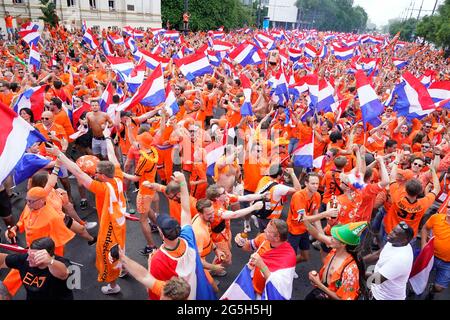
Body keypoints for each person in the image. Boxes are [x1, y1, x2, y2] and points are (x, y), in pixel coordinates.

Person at [46, 126, 126, 295]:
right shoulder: (117, 176)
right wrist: (106, 137)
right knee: (120, 251)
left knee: (107, 256)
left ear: (102, 175)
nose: (93, 173)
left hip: (110, 227)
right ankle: (123, 268)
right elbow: (111, 155)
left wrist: (59, 154)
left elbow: (77, 172)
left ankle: (113, 286)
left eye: (96, 172)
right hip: (120, 224)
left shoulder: (102, 188)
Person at [145, 172, 216, 300]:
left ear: (161, 233)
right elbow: (185, 210)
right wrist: (182, 181)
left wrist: (150, 265)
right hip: (199, 287)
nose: (169, 198)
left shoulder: (158, 259)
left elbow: (152, 288)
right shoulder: (188, 240)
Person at [305, 222, 368, 300]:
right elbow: (318, 235)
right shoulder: (335, 249)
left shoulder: (351, 270)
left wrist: (319, 284)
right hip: (319, 293)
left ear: (343, 244)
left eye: (334, 237)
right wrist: (305, 220)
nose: (331, 238)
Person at [234, 219, 296, 298]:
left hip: (265, 295)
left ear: (277, 238)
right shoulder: (263, 237)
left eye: (268, 231)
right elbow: (249, 246)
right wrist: (241, 242)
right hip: (252, 287)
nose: (264, 230)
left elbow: (277, 286)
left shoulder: (289, 256)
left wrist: (262, 265)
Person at [0, 237, 73, 300]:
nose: (28, 259)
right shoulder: (25, 259)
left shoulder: (62, 264)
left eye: (33, 257)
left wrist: (50, 262)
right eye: (29, 254)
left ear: (46, 257)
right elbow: (3, 261)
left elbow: (63, 274)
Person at [364, 222, 415, 300]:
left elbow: (376, 279)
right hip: (376, 288)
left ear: (404, 240)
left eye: (395, 233)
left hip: (384, 297)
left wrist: (356, 270)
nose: (390, 233)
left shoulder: (401, 259)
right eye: (393, 230)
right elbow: (377, 254)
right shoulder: (394, 242)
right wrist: (357, 260)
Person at [421, 199, 450, 299]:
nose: (449, 210)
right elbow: (425, 228)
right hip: (430, 256)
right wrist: (423, 244)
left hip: (447, 264)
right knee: (419, 276)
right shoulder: (436, 218)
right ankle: (414, 288)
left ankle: (431, 289)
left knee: (439, 288)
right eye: (449, 207)